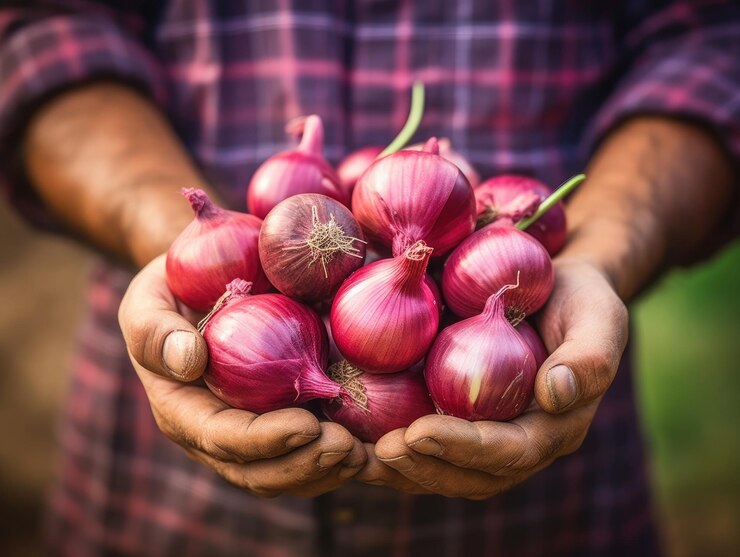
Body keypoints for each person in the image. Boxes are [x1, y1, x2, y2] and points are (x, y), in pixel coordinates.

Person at [1, 1, 737, 555]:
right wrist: (168, 243)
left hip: (550, 510)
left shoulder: (450, 253)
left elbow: (713, 42)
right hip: (157, 500)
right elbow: (41, 30)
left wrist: (600, 254)